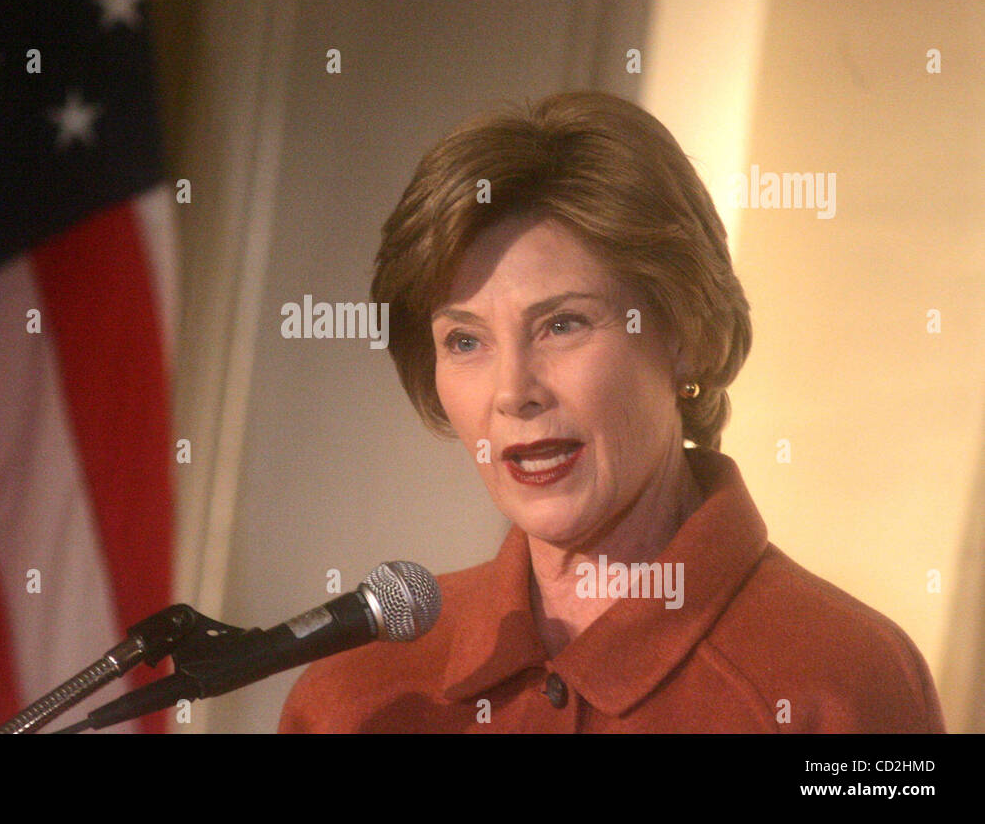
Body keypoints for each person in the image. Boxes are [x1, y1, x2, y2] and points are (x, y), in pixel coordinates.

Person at [277, 91, 945, 733]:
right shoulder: (356, 694)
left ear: (685, 335)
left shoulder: (839, 682)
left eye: (562, 324)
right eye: (465, 340)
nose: (514, 391)